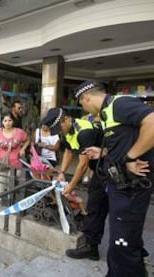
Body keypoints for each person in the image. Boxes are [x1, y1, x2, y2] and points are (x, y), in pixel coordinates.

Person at [74, 80, 154, 277]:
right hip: (121, 186)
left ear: (86, 97)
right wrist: (103, 152)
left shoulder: (119, 104)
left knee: (122, 243)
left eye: (82, 104)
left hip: (132, 187)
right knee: (126, 239)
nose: (83, 108)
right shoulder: (107, 113)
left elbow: (152, 123)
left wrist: (130, 157)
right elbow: (125, 141)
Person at [42, 108, 104, 225]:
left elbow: (83, 164)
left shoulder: (84, 132)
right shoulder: (67, 131)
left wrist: (71, 185)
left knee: (96, 201)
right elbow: (69, 151)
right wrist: (62, 172)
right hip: (96, 166)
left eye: (59, 129)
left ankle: (91, 228)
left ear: (66, 119)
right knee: (94, 197)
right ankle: (88, 221)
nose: (59, 133)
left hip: (104, 166)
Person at [0, 112, 29, 204]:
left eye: (9, 120)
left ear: (13, 121)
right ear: (2, 122)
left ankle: (10, 208)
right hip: (1, 164)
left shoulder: (19, 132)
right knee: (0, 188)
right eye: (5, 120)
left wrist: (23, 149)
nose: (7, 123)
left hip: (16, 165)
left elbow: (28, 140)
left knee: (12, 188)